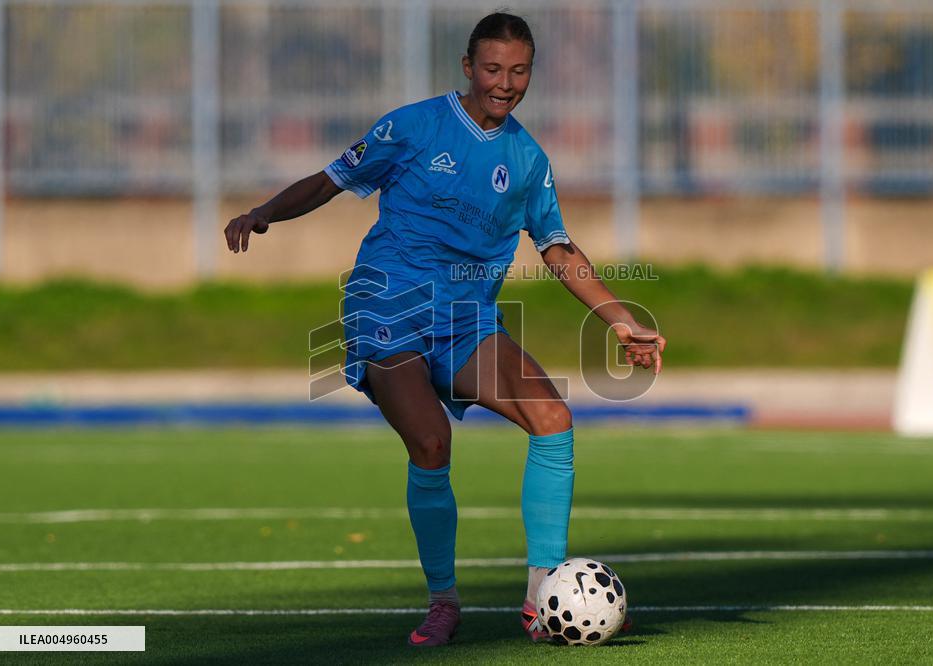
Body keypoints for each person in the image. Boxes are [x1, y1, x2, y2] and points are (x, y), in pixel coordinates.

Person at [224, 12, 665, 647]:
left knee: (554, 419)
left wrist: (619, 318)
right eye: (492, 69)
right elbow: (332, 178)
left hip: (466, 322)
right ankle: (443, 603)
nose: (504, 84)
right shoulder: (412, 126)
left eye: (518, 72)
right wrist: (265, 213)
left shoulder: (528, 159)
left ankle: (542, 597)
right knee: (431, 443)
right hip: (386, 310)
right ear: (467, 67)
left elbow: (559, 249)